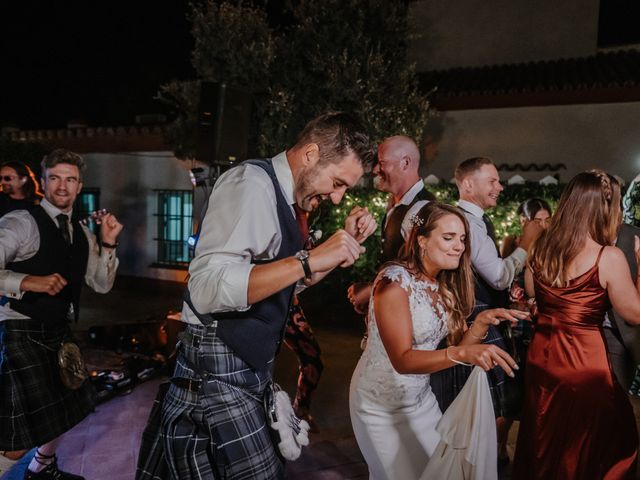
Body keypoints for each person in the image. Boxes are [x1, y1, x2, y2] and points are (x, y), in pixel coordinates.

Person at [159, 112, 377, 479]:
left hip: (247, 365)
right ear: (310, 154)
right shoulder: (250, 185)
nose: (338, 199)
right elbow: (206, 287)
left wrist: (337, 249)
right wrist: (309, 259)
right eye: (338, 182)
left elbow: (288, 282)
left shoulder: (283, 197)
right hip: (217, 363)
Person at [349, 202, 527, 480]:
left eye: (462, 239)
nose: (459, 246)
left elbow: (460, 351)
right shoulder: (394, 284)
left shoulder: (442, 284)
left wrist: (480, 323)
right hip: (379, 405)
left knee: (438, 472)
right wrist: (462, 354)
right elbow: (403, 360)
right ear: (422, 240)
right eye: (448, 237)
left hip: (421, 401)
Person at [0, 148, 122, 480]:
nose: (63, 186)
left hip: (59, 331)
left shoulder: (81, 233)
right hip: (21, 329)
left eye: (70, 179)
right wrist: (27, 281)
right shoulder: (20, 223)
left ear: (80, 186)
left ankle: (42, 467)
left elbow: (101, 283)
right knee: (16, 438)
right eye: (55, 178)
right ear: (43, 181)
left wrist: (108, 243)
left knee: (66, 410)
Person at [513, 170, 640, 479]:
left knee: (547, 433)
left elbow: (532, 294)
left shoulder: (541, 248)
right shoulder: (606, 256)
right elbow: (634, 314)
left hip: (543, 355)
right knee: (601, 438)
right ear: (606, 208)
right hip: (583, 359)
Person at [429, 157, 542, 466]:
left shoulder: (476, 221)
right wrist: (526, 245)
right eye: (492, 181)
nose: (500, 186)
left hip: (485, 316)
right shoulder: (465, 221)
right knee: (487, 403)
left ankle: (484, 461)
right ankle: (475, 464)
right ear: (468, 184)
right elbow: (499, 276)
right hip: (474, 322)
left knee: (497, 402)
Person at [347, 135, 435, 315]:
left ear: (405, 163)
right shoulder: (396, 203)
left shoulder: (424, 208)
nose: (375, 169)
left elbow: (425, 269)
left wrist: (371, 290)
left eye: (382, 162)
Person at [604, 221, 640, 391]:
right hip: (582, 331)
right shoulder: (579, 234)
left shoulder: (635, 236)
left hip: (621, 333)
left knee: (613, 400)